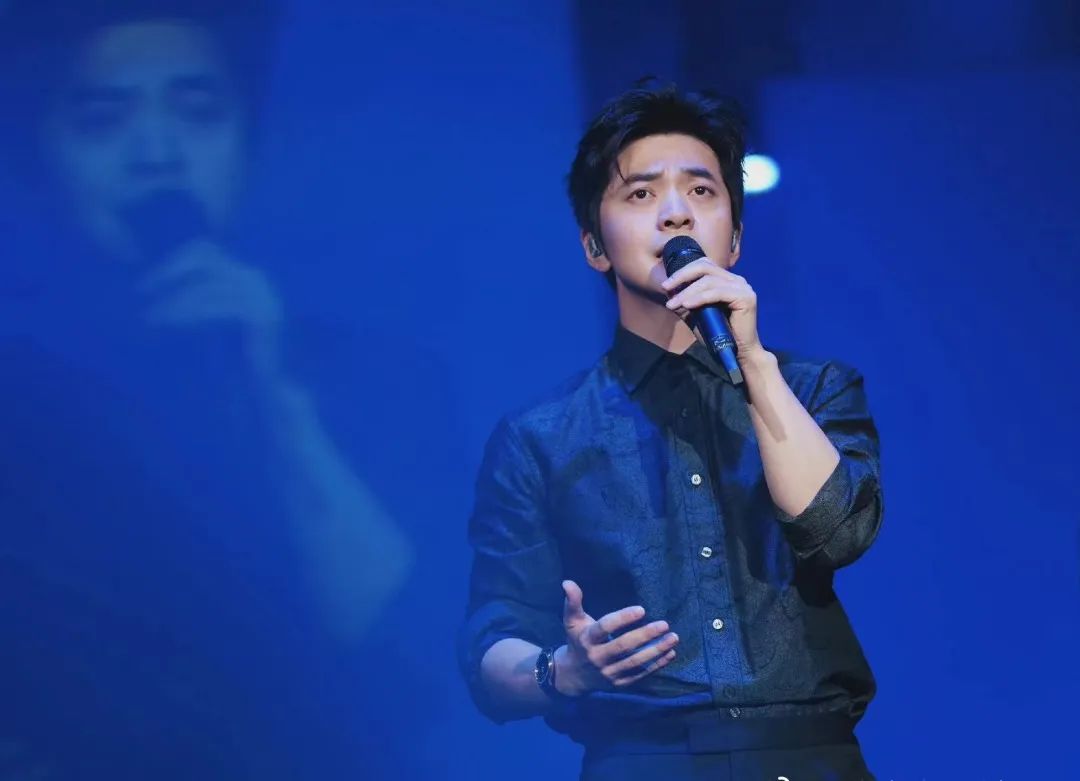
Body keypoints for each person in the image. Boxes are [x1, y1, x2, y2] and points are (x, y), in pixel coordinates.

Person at [0, 2, 440, 777]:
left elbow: (403, 644)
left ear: (246, 141)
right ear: (44, 154)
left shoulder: (380, 377)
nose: (157, 153)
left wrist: (277, 400)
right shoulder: (20, 395)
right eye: (102, 121)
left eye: (198, 113)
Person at [460, 83, 884, 780]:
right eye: (641, 193)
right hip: (643, 760)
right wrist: (565, 669)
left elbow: (837, 534)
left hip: (808, 756)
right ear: (594, 246)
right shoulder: (540, 436)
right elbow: (490, 647)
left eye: (701, 190)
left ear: (734, 238)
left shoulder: (815, 389)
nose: (677, 212)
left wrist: (753, 362)